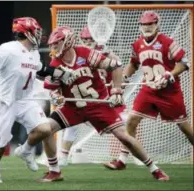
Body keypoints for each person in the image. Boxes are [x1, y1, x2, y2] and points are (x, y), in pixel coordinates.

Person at [37, 26, 169, 182]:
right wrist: (56, 96)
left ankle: (154, 169)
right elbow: (54, 88)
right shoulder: (55, 62)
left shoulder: (85, 54)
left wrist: (117, 91)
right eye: (52, 44)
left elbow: (116, 65)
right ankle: (54, 171)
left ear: (67, 41)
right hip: (73, 108)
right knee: (45, 129)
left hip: (98, 106)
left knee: (124, 137)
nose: (52, 47)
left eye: (56, 44)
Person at [0, 17, 74, 183]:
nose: (38, 34)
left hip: (25, 100)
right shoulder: (8, 49)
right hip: (4, 100)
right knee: (0, 146)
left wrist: (60, 73)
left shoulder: (34, 52)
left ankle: (26, 150)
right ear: (26, 32)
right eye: (36, 30)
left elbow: (41, 70)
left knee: (45, 129)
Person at [103, 11, 193, 172]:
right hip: (148, 90)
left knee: (184, 127)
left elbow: (184, 63)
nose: (147, 27)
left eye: (150, 24)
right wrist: (124, 76)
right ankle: (122, 160)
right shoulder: (137, 44)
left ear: (157, 24)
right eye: (144, 24)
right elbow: (133, 64)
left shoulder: (168, 42)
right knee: (131, 120)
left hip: (169, 92)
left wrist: (169, 74)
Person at [59, 26, 128, 166]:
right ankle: (63, 158)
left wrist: (117, 88)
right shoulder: (77, 56)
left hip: (105, 101)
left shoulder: (107, 56)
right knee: (69, 125)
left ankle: (123, 157)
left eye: (90, 39)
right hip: (84, 101)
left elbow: (118, 71)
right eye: (85, 39)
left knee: (127, 122)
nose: (87, 42)